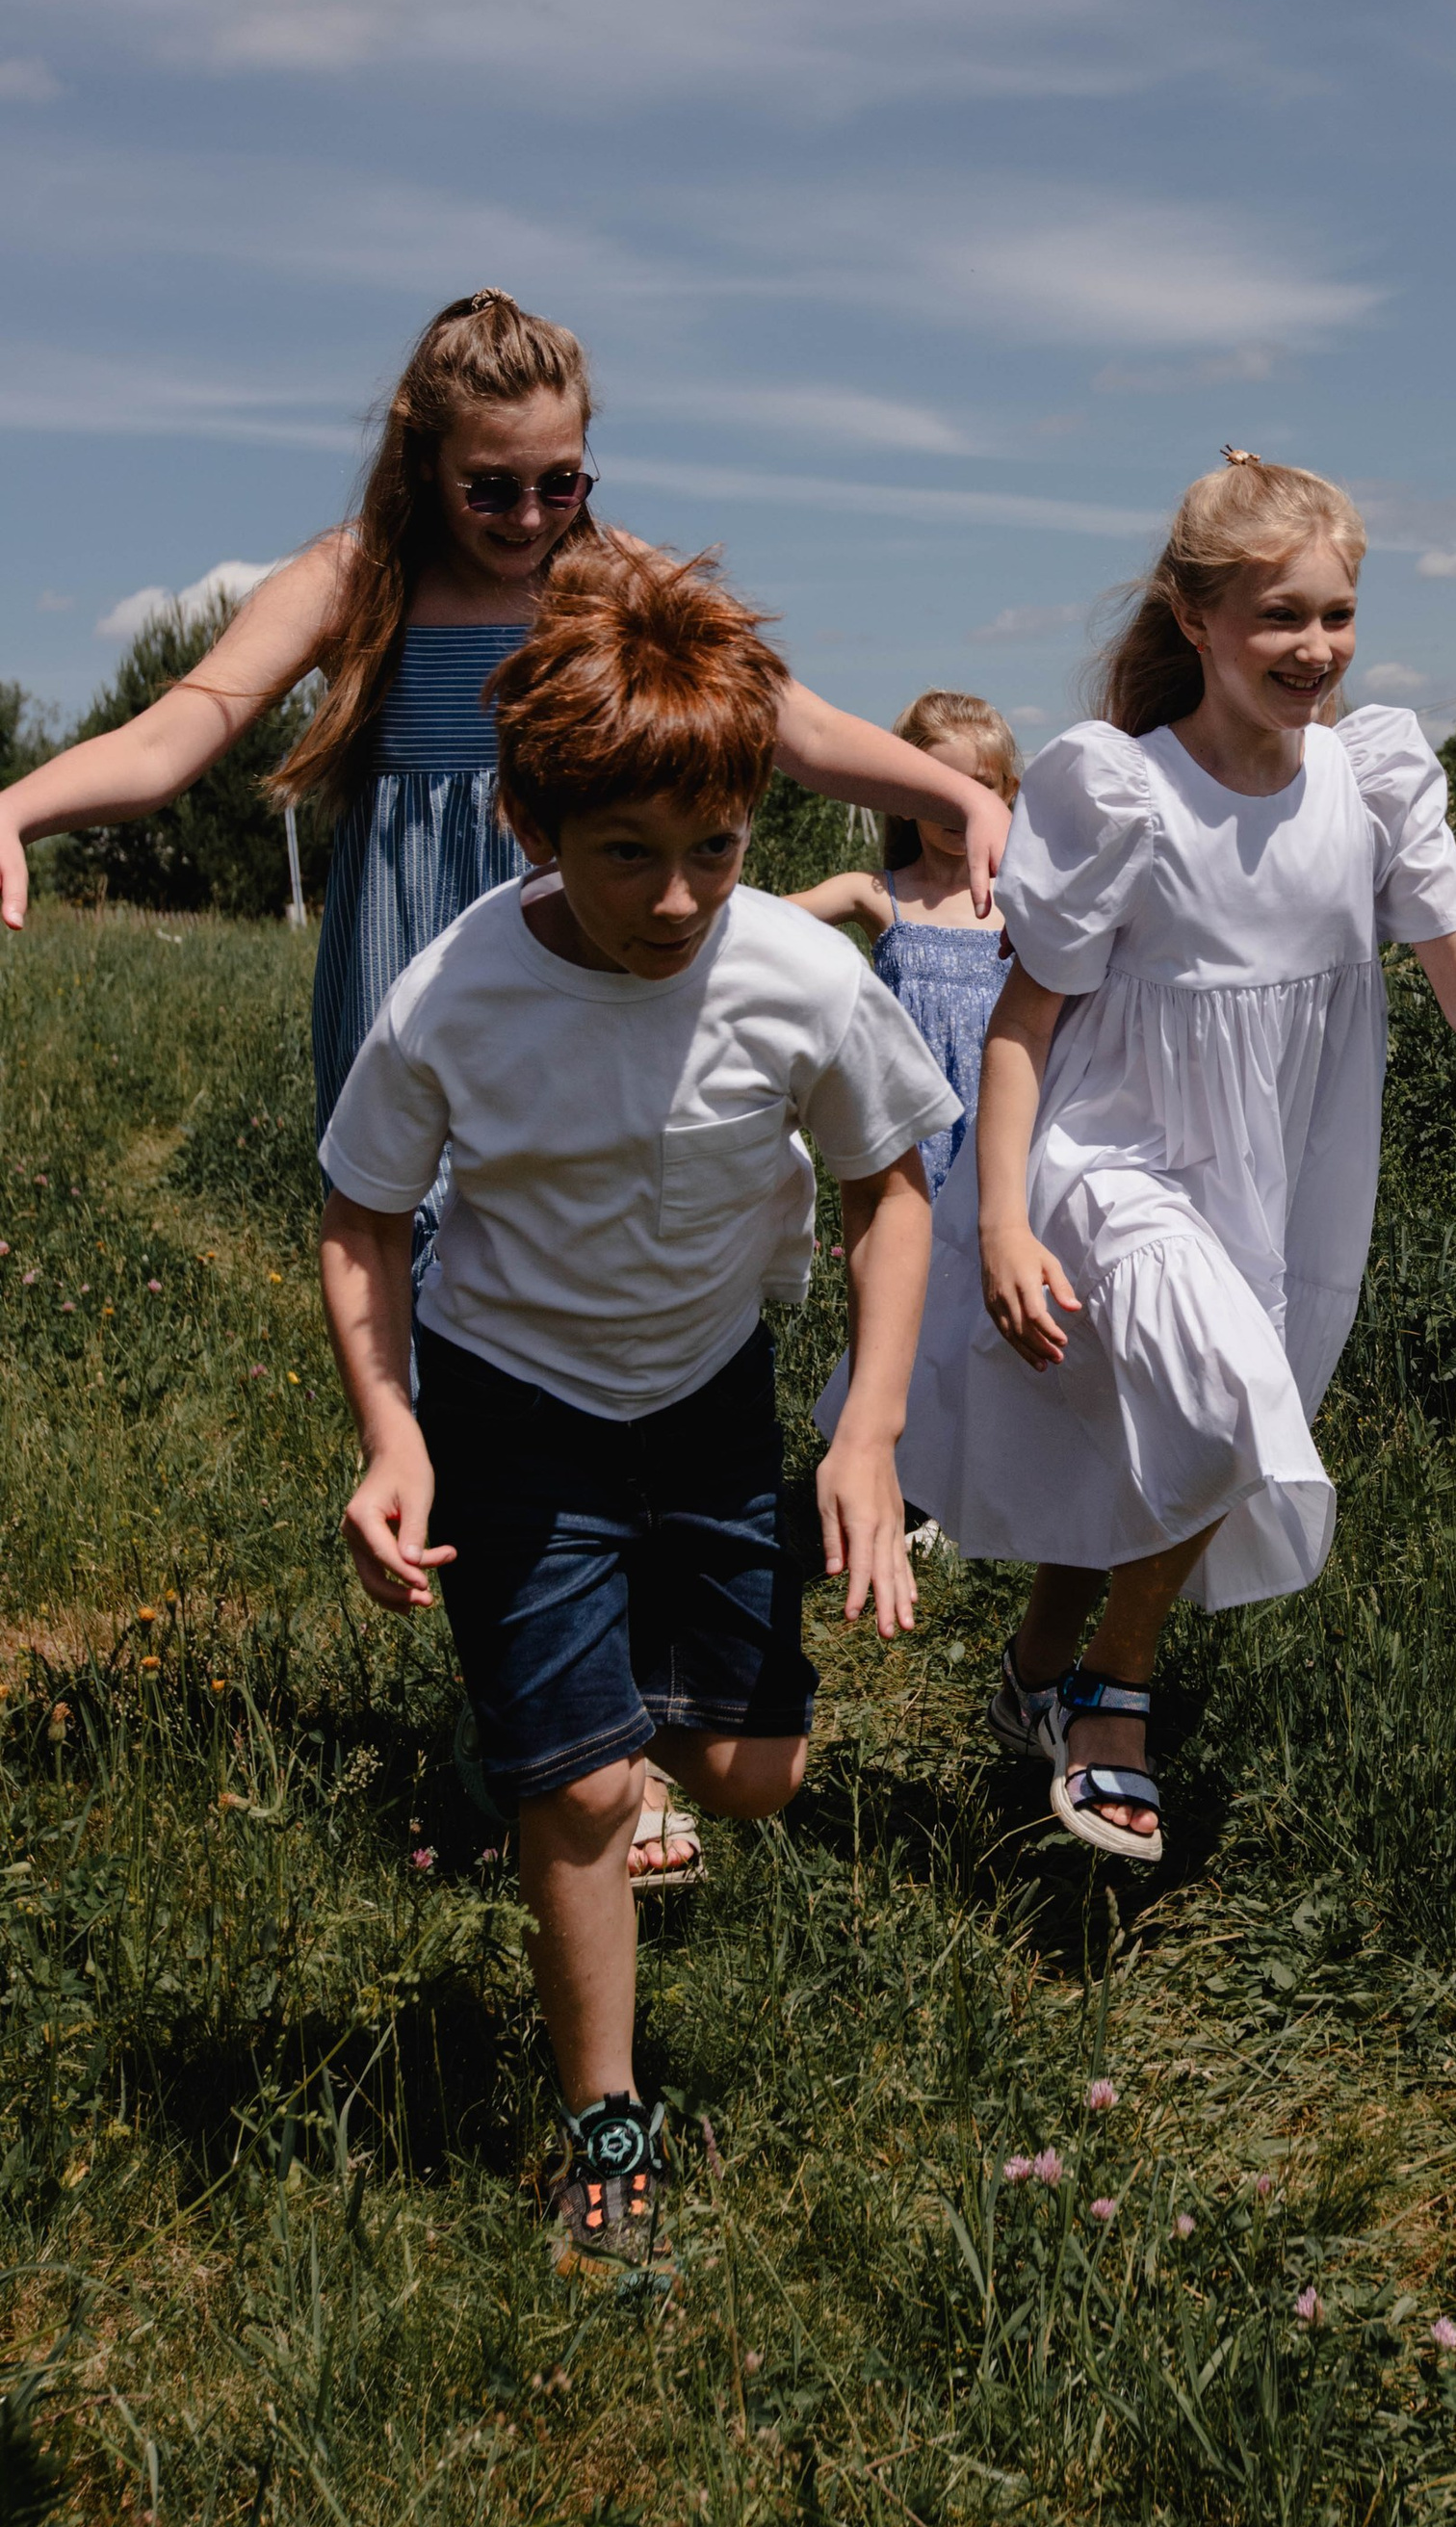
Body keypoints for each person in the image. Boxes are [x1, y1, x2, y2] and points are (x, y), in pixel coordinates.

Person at [0, 289, 1010, 1880]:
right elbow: (184, 729)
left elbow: (793, 727)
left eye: (564, 484)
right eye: (496, 488)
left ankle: (592, 1717)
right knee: (483, 1321)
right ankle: (573, 1718)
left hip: (624, 956)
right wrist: (20, 803)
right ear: (423, 464)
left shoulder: (608, 583)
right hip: (446, 976)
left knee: (591, 1286)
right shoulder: (356, 582)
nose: (535, 519)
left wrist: (945, 782)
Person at [317, 542, 953, 2271]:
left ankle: (580, 1732)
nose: (677, 899)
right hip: (512, 1404)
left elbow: (897, 1182)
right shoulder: (454, 995)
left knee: (755, 1772)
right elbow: (367, 1212)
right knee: (586, 1795)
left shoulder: (800, 982)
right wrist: (396, 1430)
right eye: (626, 857)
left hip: (706, 1396)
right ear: (530, 821)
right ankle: (605, 2110)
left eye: (716, 851)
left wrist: (870, 1425)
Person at [821, 448, 1456, 1864]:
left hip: (1276, 1182)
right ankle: (1114, 1698)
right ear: (1197, 622)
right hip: (1108, 1166)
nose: (1316, 649)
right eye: (1280, 616)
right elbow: (1019, 1029)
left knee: (1145, 1423)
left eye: (1336, 614)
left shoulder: (1376, 784)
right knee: (1230, 1403)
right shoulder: (1119, 791)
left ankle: (1034, 1679)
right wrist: (999, 1220)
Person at [790, 688, 1021, 1198]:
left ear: (1007, 791)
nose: (956, 803)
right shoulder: (874, 894)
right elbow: (768, 920)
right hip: (912, 1125)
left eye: (979, 786)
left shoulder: (1026, 899)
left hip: (1011, 1125)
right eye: (936, 786)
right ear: (902, 794)